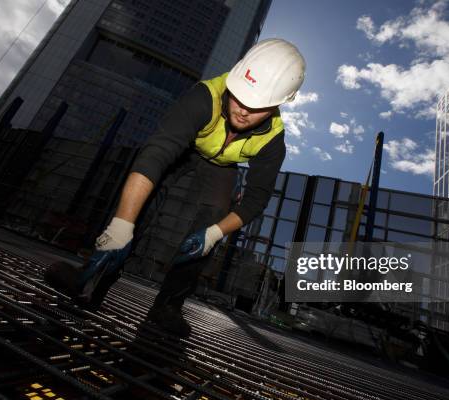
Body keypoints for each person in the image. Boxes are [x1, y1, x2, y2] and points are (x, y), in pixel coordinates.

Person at [45, 38, 306, 336]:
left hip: (221, 167)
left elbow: (257, 198)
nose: (244, 110)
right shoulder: (205, 95)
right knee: (139, 200)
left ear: (278, 104)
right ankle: (91, 278)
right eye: (241, 97)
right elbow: (156, 154)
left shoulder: (273, 139)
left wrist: (213, 234)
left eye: (258, 106)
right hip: (186, 148)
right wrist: (121, 224)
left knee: (215, 214)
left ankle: (168, 306)